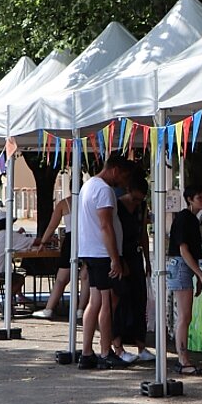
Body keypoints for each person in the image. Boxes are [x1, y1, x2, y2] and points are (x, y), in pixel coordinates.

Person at [77, 154, 134, 369]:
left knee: (95, 302)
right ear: (115, 170)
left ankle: (87, 351)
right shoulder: (104, 190)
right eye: (123, 176)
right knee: (106, 303)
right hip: (102, 254)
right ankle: (104, 351)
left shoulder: (88, 185)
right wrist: (114, 258)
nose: (122, 182)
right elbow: (106, 226)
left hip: (91, 251)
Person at [168, 185, 202, 375]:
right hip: (180, 266)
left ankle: (183, 357)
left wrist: (197, 276)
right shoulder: (184, 219)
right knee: (184, 316)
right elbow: (183, 250)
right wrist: (201, 275)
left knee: (185, 315)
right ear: (189, 199)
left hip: (184, 266)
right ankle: (183, 359)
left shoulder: (192, 220)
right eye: (199, 197)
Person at [111, 171, 155, 364]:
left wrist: (147, 259)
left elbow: (143, 234)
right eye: (135, 199)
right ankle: (117, 344)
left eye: (141, 200)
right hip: (121, 254)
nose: (137, 203)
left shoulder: (141, 207)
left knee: (140, 300)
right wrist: (118, 260)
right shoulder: (117, 206)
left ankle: (141, 344)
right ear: (128, 191)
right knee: (120, 301)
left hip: (135, 255)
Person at [32, 191, 85, 320]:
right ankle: (81, 309)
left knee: (61, 278)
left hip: (71, 239)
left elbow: (52, 225)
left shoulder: (64, 203)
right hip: (86, 237)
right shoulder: (87, 201)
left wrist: (43, 242)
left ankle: (49, 308)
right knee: (85, 276)